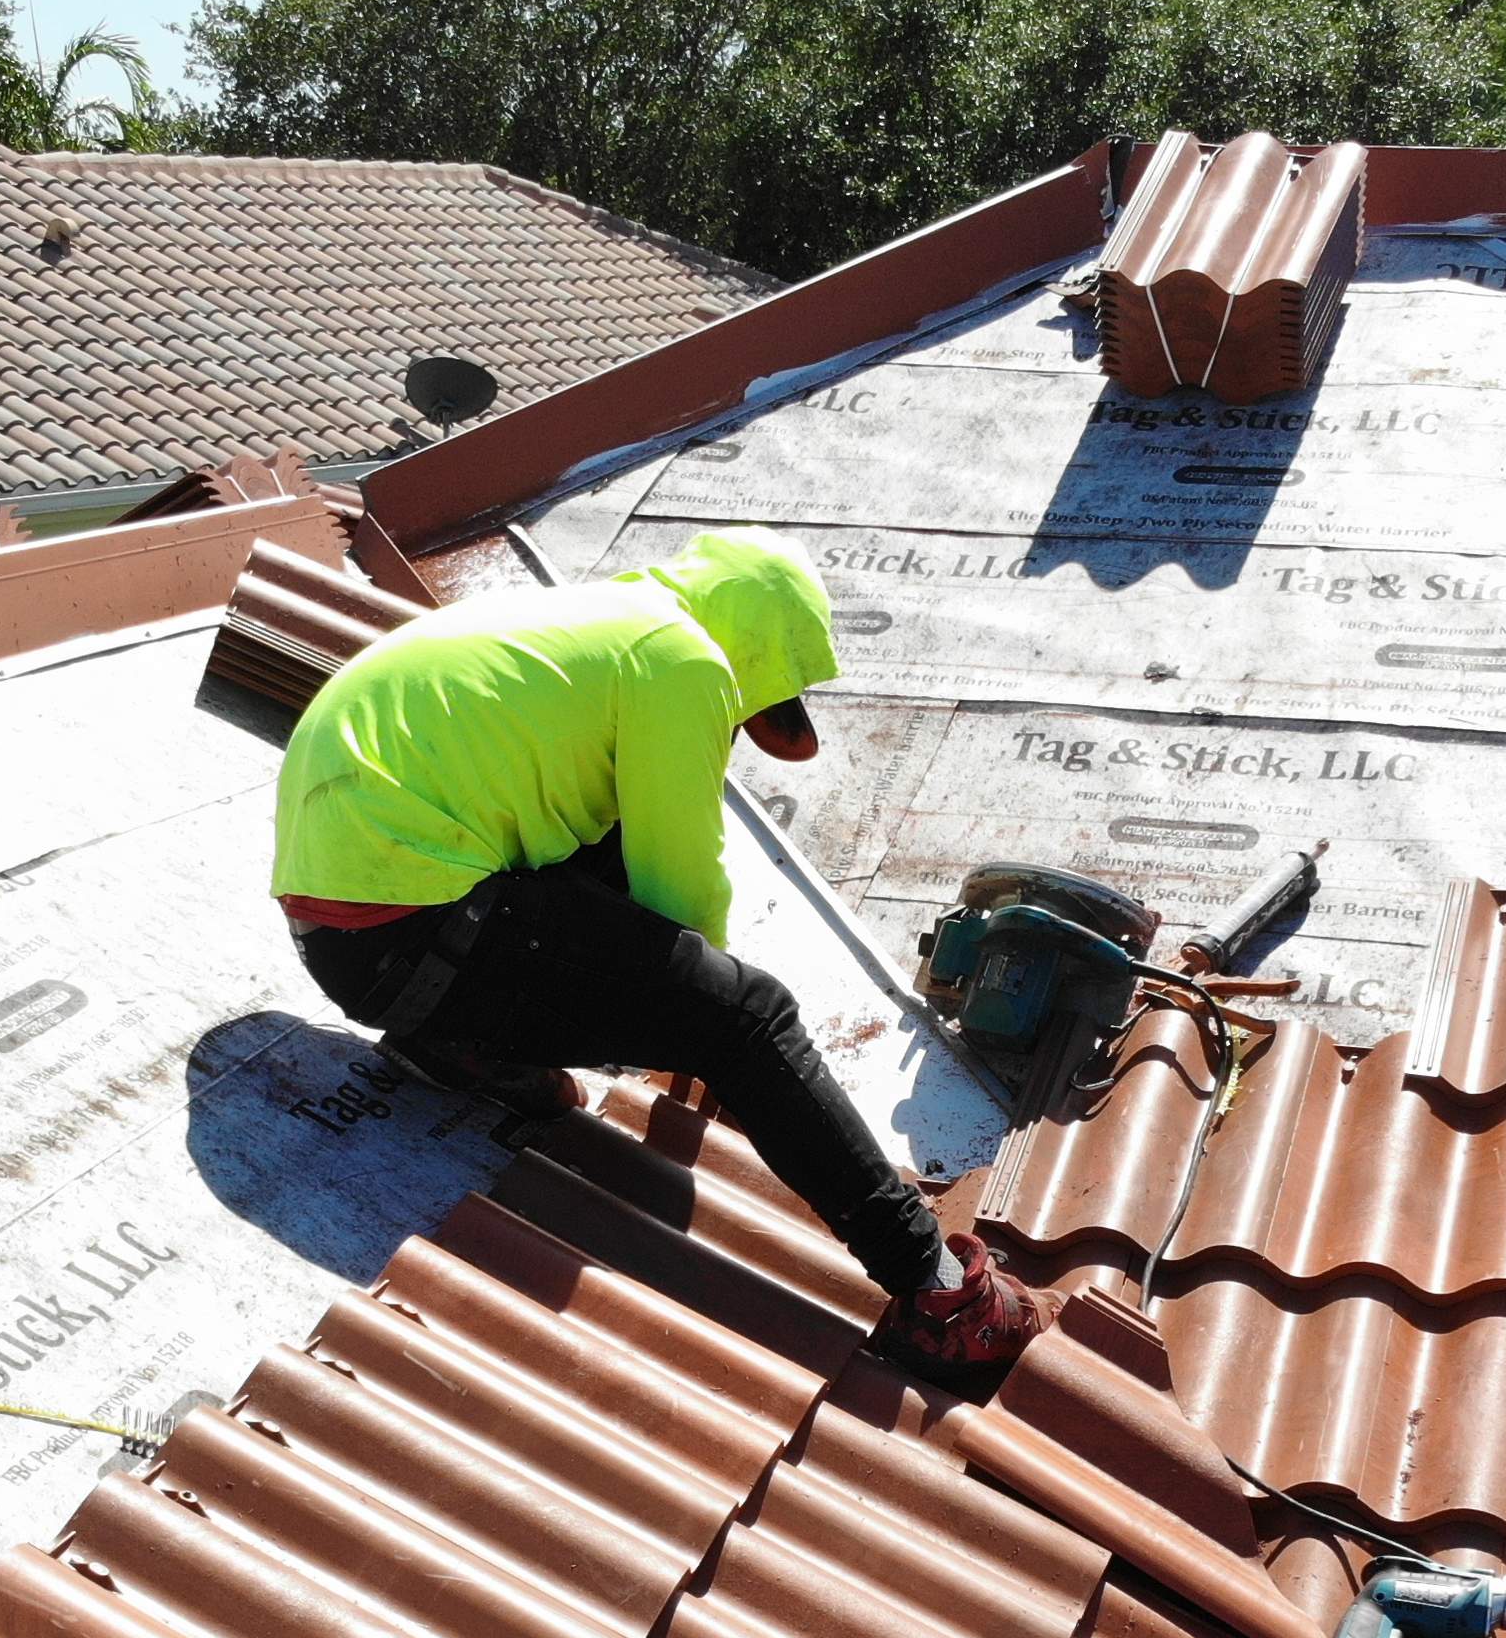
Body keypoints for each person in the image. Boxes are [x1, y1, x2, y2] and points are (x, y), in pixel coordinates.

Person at [271, 525, 1048, 1381]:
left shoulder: (591, 621)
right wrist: (703, 1026)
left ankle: (458, 1039)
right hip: (412, 934)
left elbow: (618, 858)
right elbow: (682, 882)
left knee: (602, 864)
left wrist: (659, 988)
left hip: (350, 942)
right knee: (752, 1019)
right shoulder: (681, 659)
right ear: (760, 652)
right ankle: (939, 1290)